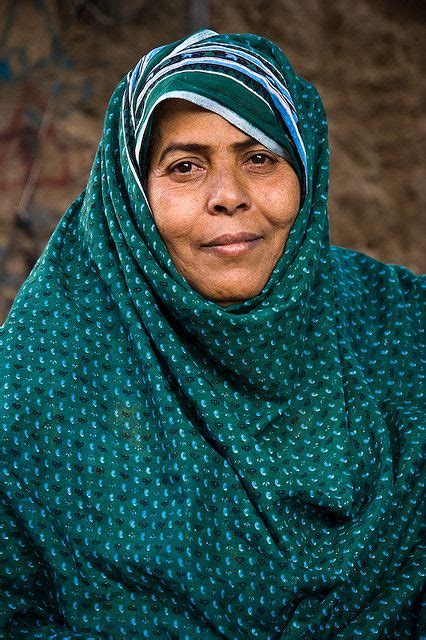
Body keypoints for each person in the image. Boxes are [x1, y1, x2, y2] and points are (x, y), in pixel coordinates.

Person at [0, 28, 424, 640]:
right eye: (185, 167)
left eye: (259, 159)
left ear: (306, 177)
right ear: (133, 197)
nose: (228, 197)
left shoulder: (402, 333)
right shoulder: (40, 382)